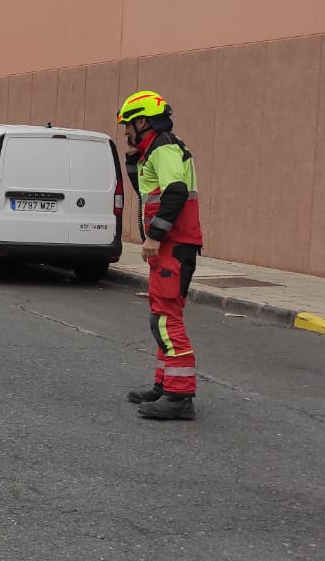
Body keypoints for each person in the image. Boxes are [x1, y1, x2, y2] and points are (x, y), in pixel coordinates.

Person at [117, 90, 204, 422]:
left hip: (173, 245)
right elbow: (146, 192)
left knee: (167, 320)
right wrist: (132, 160)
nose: (126, 132)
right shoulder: (154, 149)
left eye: (128, 125)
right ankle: (165, 385)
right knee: (161, 317)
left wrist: (155, 236)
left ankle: (179, 397)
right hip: (170, 245)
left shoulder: (164, 148)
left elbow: (175, 192)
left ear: (142, 122)